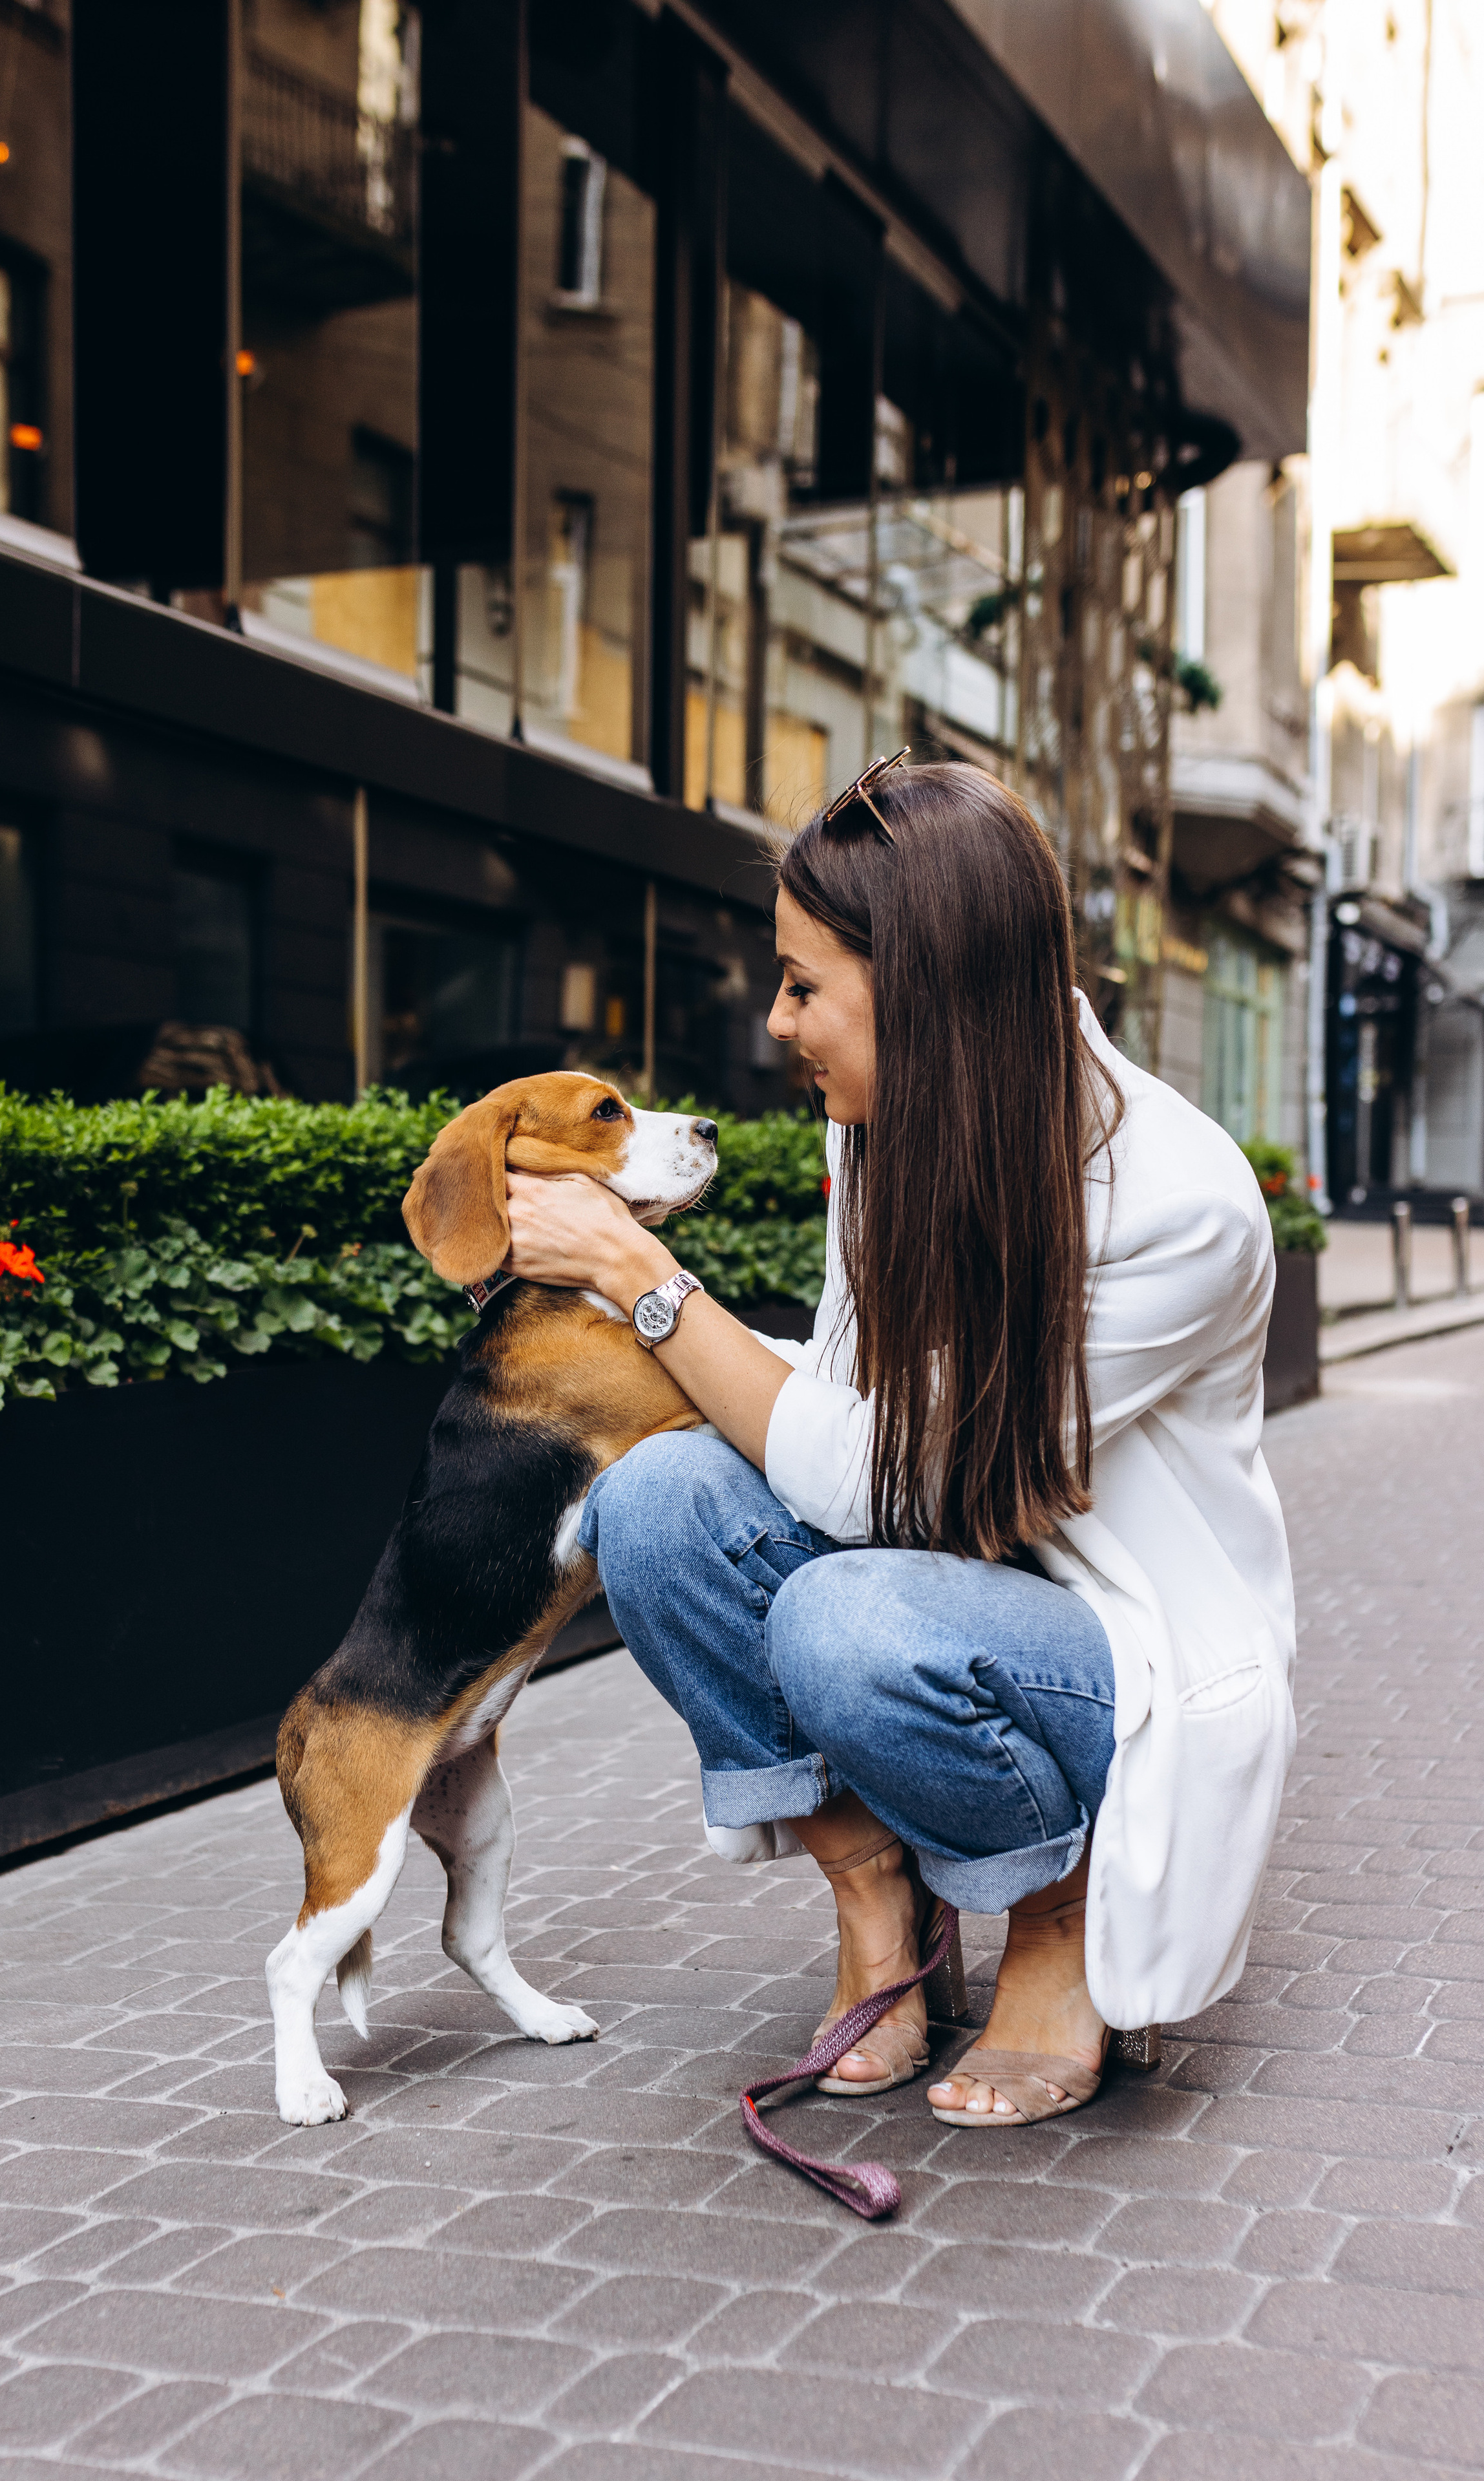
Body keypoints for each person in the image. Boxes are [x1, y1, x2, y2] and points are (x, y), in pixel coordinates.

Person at [502, 758, 1296, 2126]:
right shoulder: (888, 1136)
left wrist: (642, 1276)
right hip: (931, 1575)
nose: (775, 1018)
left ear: (921, 986)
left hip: (1118, 1658)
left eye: (804, 984)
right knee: (653, 1504)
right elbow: (827, 1401)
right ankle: (879, 1903)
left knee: (843, 1616)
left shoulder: (1180, 1206)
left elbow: (875, 1477)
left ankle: (1055, 1917)